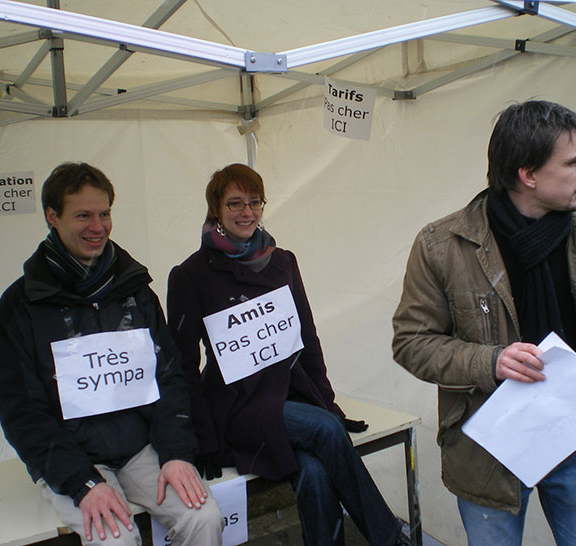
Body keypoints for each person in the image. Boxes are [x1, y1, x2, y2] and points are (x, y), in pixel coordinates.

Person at [392, 100, 576, 546]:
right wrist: (492, 361)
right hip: (490, 451)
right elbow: (412, 343)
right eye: (574, 161)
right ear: (528, 174)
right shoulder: (443, 246)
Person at [167, 163, 412, 546]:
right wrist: (204, 436)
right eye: (235, 203)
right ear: (215, 208)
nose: (247, 212)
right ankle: (389, 539)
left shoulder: (283, 262)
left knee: (314, 470)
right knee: (324, 430)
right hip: (236, 406)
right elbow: (182, 364)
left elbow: (307, 338)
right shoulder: (190, 275)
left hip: (289, 394)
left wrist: (326, 401)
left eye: (254, 202)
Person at [0, 162, 223, 546]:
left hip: (139, 447)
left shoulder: (134, 289)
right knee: (114, 538)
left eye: (104, 214)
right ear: (52, 217)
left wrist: (177, 453)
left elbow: (168, 377)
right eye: (83, 215)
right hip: (73, 457)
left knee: (205, 517)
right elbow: (21, 411)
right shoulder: (20, 306)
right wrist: (83, 482)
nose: (97, 226)